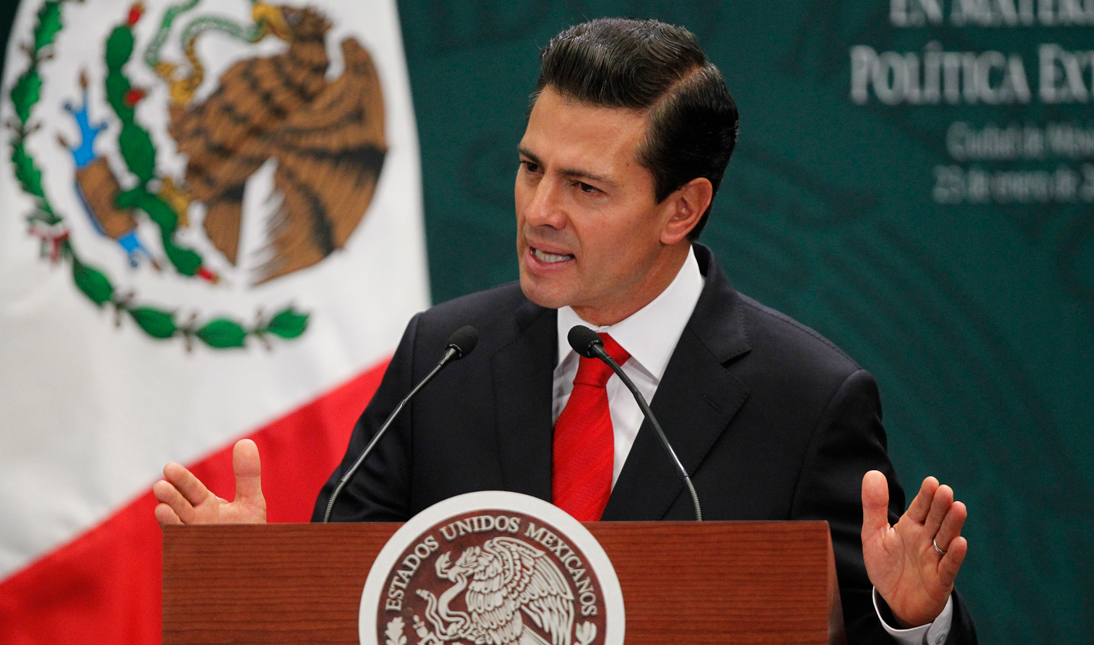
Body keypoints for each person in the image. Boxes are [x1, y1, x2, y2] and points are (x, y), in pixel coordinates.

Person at [155, 18, 976, 644]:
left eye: (585, 186)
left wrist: (909, 620)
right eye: (529, 167)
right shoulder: (442, 355)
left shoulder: (803, 398)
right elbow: (355, 599)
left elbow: (854, 619)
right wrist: (257, 576)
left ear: (681, 208)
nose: (538, 211)